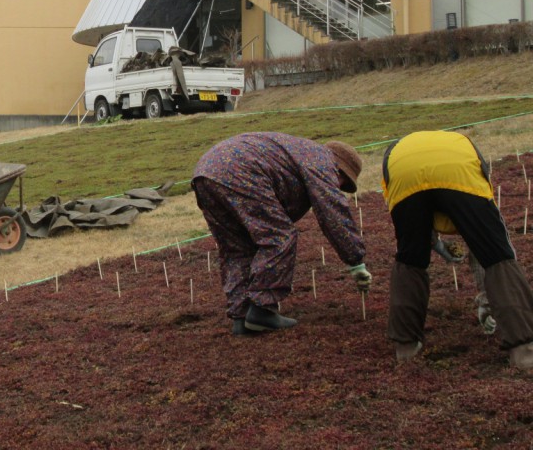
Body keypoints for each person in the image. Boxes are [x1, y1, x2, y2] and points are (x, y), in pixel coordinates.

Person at [192, 132, 370, 335]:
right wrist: (356, 260)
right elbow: (332, 211)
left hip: (205, 173)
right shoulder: (322, 161)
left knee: (237, 248)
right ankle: (261, 310)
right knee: (279, 237)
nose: (339, 187)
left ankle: (241, 317)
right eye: (343, 184)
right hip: (241, 171)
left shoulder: (302, 152)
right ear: (340, 170)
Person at [381, 130, 533, 368]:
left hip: (402, 169)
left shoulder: (395, 152)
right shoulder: (462, 145)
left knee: (410, 259)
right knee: (498, 255)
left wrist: (434, 245)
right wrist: (486, 298)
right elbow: (485, 244)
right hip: (457, 169)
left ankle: (405, 347)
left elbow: (418, 225)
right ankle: (523, 352)